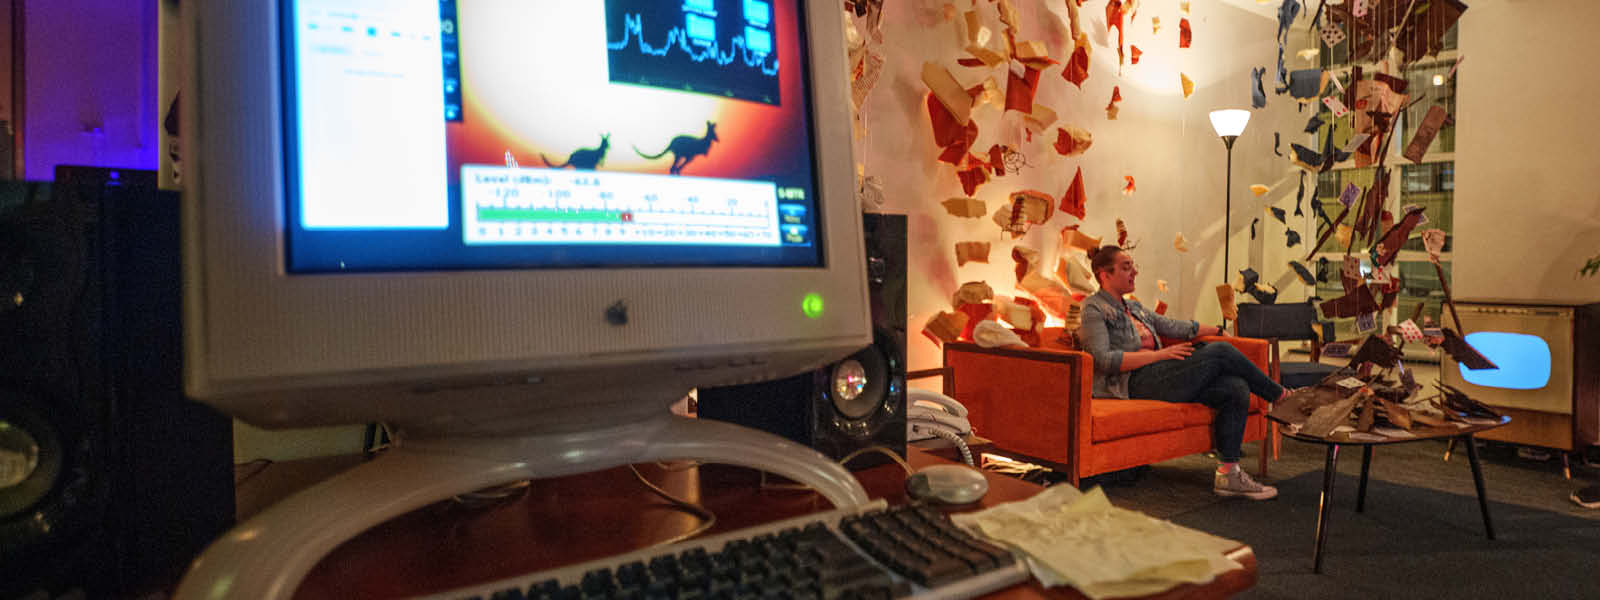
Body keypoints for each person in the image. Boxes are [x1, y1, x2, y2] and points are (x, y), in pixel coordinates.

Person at [1077, 245, 1287, 500]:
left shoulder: (1133, 307)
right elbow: (1102, 360)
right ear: (1105, 275)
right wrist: (1158, 355)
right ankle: (1281, 398)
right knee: (1220, 351)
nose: (1134, 272)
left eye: (1133, 266)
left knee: (1235, 388)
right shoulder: (1093, 308)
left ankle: (1229, 474)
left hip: (1159, 373)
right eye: (1126, 267)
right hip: (1130, 383)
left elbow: (1174, 326)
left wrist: (1217, 330)